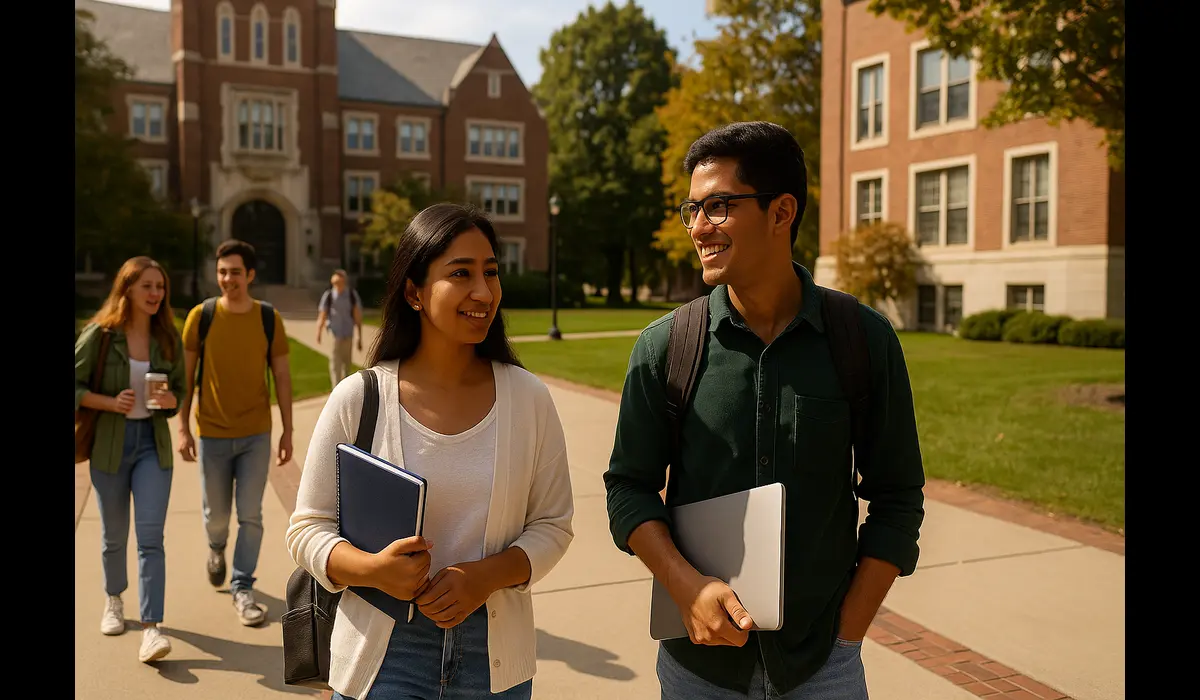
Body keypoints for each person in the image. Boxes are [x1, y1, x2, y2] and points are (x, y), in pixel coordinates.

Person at [603, 121, 926, 700]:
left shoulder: (863, 340)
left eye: (720, 206)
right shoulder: (665, 347)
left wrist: (848, 632)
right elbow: (628, 488)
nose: (699, 228)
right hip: (698, 670)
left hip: (822, 668)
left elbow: (898, 496)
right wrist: (686, 589)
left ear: (782, 213)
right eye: (693, 209)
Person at [287, 203, 575, 700]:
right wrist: (372, 570)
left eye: (491, 272)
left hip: (494, 658)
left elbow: (553, 525)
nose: (483, 292)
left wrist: (482, 578)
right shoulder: (360, 398)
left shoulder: (529, 400)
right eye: (460, 273)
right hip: (384, 658)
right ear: (414, 292)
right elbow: (307, 529)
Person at [75, 256, 187, 663]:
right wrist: (108, 401)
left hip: (151, 448)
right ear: (127, 290)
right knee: (113, 536)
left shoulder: (167, 338)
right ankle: (113, 600)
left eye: (160, 286)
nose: (156, 293)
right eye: (148, 286)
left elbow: (179, 391)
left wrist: (172, 400)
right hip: (110, 445)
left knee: (150, 537)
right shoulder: (101, 335)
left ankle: (152, 627)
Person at [178, 239, 293, 627]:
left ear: (251, 275)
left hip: (255, 434)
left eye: (235, 272)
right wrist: (183, 428)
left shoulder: (267, 318)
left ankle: (242, 586)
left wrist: (287, 430)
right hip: (211, 432)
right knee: (217, 516)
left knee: (251, 515)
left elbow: (281, 375)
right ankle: (216, 548)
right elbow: (187, 378)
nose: (228, 279)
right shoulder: (202, 316)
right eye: (222, 272)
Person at [316, 268, 364, 388]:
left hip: (348, 334)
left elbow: (357, 315)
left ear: (344, 280)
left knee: (346, 364)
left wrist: (359, 336)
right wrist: (319, 332)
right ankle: (335, 390)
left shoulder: (352, 295)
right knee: (334, 363)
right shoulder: (329, 296)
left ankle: (345, 391)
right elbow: (322, 314)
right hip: (334, 334)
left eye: (339, 277)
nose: (336, 281)